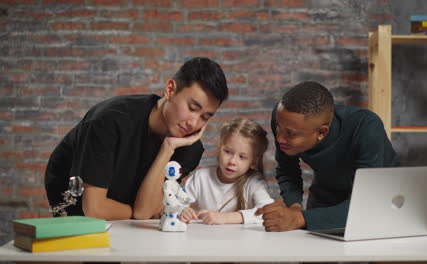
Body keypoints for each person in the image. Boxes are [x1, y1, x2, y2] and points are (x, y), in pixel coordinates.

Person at [44, 57, 229, 220]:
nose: (194, 122)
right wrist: (141, 211)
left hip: (126, 215)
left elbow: (145, 212)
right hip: (77, 206)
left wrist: (168, 148)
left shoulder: (188, 146)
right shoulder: (109, 120)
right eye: (192, 108)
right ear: (170, 89)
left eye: (205, 117)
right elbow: (95, 209)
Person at [256, 81, 399, 232]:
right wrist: (294, 208)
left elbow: (366, 201)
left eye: (290, 134)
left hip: (381, 201)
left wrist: (299, 218)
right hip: (325, 196)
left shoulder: (366, 126)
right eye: (278, 127)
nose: (279, 139)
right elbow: (287, 168)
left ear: (322, 133)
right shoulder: (284, 118)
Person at [180, 118, 274, 225]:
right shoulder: (201, 177)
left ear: (253, 162)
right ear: (219, 148)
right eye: (228, 152)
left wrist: (226, 218)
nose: (232, 161)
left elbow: (269, 211)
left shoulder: (254, 182)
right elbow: (175, 203)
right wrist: (182, 210)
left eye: (242, 157)